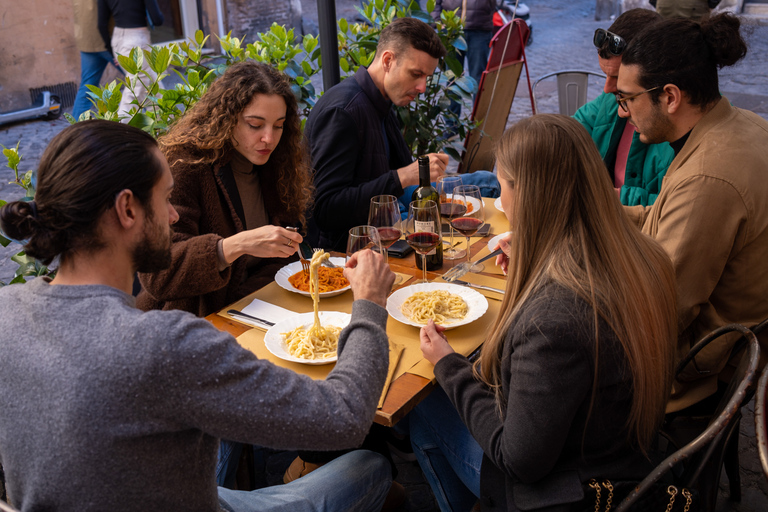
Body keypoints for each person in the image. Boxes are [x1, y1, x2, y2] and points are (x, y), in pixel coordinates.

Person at [0, 119, 394, 512]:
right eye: (166, 198)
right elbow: (344, 416)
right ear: (127, 209)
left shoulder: (7, 312)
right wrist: (371, 304)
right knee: (370, 466)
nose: (174, 216)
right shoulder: (165, 344)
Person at [407, 115, 678, 510]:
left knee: (425, 404)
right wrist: (533, 267)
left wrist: (448, 366)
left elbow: (520, 460)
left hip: (573, 491)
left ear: (528, 194)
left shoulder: (553, 319)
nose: (501, 204)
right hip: (621, 448)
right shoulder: (645, 256)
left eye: (502, 190)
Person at [617, 13, 768, 412]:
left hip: (692, 377)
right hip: (725, 351)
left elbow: (657, 311)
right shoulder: (745, 125)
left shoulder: (708, 178)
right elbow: (668, 214)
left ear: (669, 96)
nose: (621, 112)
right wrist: (596, 215)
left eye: (628, 99)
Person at [137, 61, 311, 318]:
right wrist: (235, 246)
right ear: (227, 120)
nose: (269, 139)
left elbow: (282, 255)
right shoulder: (187, 165)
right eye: (255, 125)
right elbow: (158, 274)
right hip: (184, 323)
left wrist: (245, 302)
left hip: (254, 310)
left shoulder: (277, 161)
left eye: (278, 125)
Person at [305, 17, 450, 252]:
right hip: (343, 257)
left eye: (427, 77)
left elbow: (401, 180)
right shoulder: (343, 111)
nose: (422, 87)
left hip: (379, 241)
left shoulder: (380, 101)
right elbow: (326, 210)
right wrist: (403, 176)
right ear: (388, 60)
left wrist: (423, 176)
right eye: (416, 74)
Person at [574, 8, 674, 207]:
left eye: (618, 78)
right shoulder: (611, 100)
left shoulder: (683, 128)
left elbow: (677, 209)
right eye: (606, 76)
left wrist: (607, 197)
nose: (607, 88)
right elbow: (568, 132)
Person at [97, 0, 164, 119]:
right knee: (135, 89)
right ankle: (120, 130)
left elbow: (101, 24)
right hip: (137, 38)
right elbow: (157, 20)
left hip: (119, 40)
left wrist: (112, 52)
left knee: (154, 86)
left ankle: (162, 127)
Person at [72, 0, 122, 119]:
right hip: (107, 40)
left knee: (87, 86)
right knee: (140, 79)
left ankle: (76, 129)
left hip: (86, 41)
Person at [431, 0, 495, 86]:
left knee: (479, 76)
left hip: (480, 29)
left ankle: (479, 100)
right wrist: (437, 21)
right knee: (452, 75)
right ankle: (453, 99)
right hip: (451, 28)